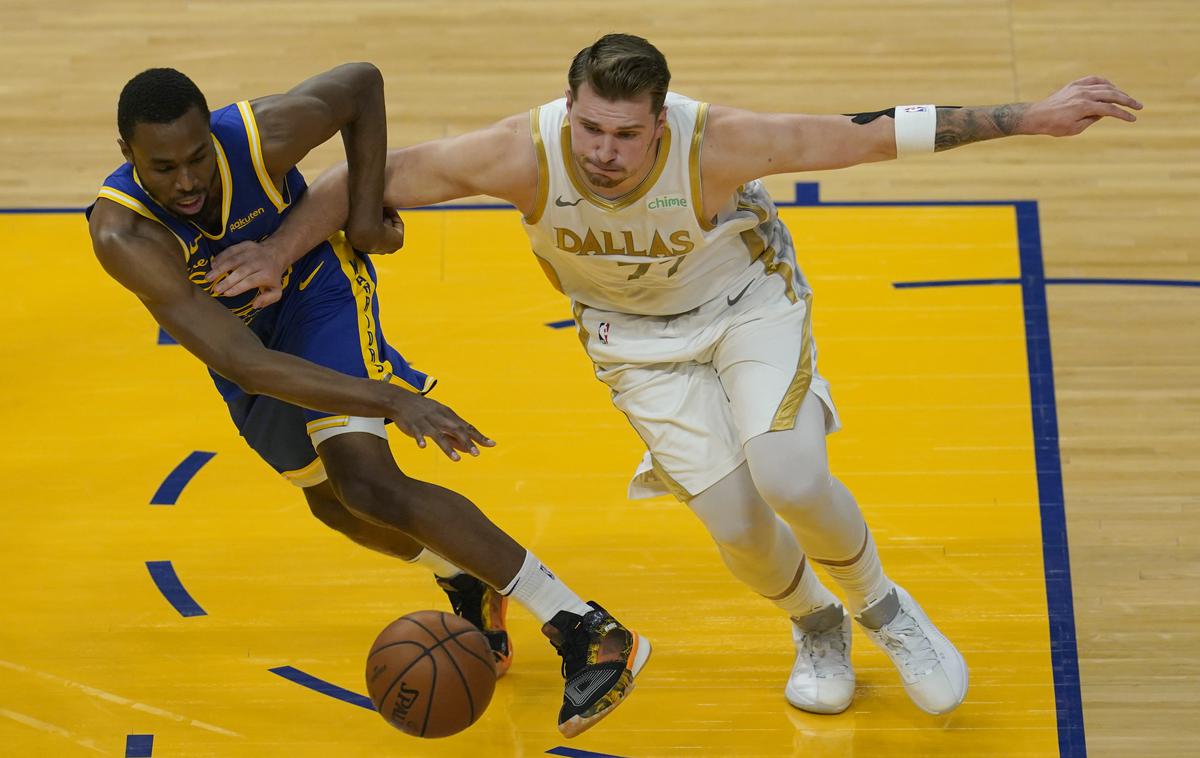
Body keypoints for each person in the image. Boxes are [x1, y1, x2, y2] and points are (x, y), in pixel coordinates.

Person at [214, 34, 1141, 716]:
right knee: (736, 524)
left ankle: (887, 612)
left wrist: (1031, 116)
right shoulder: (522, 152)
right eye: (588, 128)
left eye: (624, 133)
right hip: (631, 341)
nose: (602, 153)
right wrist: (279, 253)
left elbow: (870, 133)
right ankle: (815, 625)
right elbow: (350, 185)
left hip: (748, 310)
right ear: (566, 108)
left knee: (788, 471)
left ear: (661, 122)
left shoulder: (719, 145)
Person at [86, 64, 650, 739]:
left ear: (213, 135)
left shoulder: (260, 136)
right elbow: (246, 364)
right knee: (332, 504)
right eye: (164, 167)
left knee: (368, 482)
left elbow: (362, 84)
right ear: (128, 158)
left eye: (198, 156)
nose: (187, 181)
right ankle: (467, 580)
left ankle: (587, 628)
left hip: (315, 291)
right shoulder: (125, 237)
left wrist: (360, 221)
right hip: (244, 347)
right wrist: (388, 398)